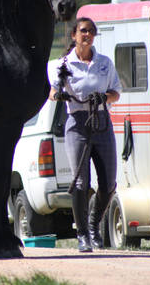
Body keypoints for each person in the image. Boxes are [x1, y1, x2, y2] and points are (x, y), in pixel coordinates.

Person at [49, 17, 122, 252]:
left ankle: (93, 225)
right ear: (74, 35)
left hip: (101, 121)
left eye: (91, 31)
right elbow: (53, 91)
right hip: (77, 123)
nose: (87, 34)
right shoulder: (63, 64)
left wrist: (105, 97)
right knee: (81, 182)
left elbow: (116, 93)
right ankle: (82, 236)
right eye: (83, 31)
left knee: (108, 183)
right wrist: (58, 94)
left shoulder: (104, 63)